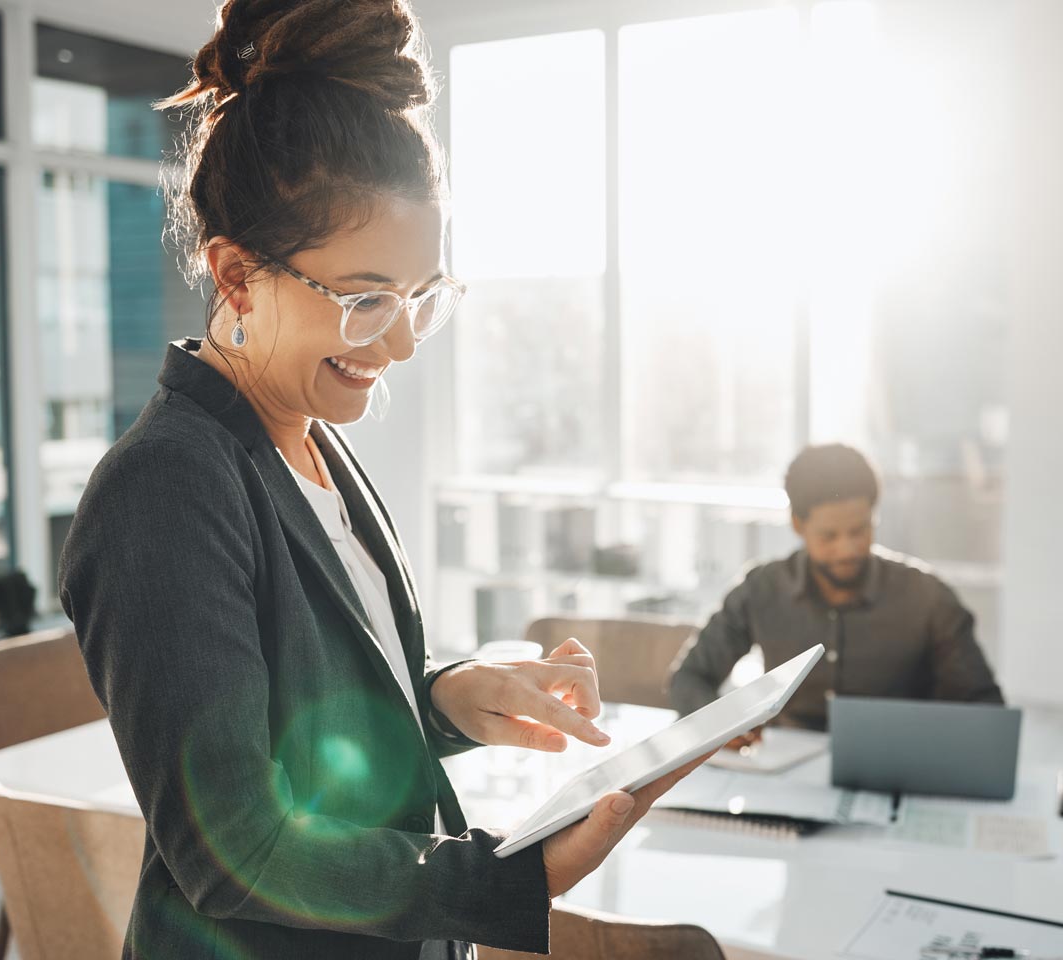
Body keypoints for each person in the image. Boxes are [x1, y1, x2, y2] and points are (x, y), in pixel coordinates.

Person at [58, 3, 710, 958]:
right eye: (365, 299)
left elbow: (312, 709)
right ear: (237, 276)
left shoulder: (311, 441)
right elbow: (230, 845)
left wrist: (443, 694)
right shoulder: (165, 489)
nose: (401, 342)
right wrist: (499, 883)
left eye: (419, 298)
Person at [669, 443, 1004, 742]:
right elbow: (689, 679)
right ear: (798, 525)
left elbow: (985, 708)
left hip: (896, 764)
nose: (847, 549)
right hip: (784, 769)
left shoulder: (928, 596)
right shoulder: (761, 588)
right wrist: (725, 725)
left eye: (859, 530)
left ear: (875, 515)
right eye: (829, 536)